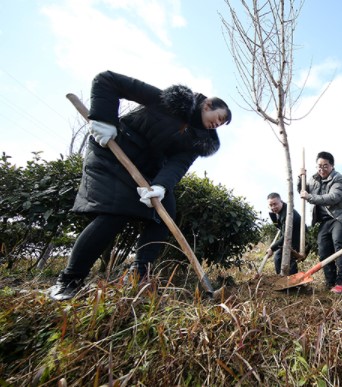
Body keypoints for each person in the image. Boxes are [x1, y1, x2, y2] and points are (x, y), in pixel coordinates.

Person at [49, 70, 232, 301]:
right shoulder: (168, 101)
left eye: (222, 124)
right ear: (207, 104)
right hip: (114, 152)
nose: (218, 124)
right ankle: (69, 280)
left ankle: (138, 275)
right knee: (114, 215)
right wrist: (104, 120)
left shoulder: (199, 140)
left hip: (148, 170)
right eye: (220, 117)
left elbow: (178, 165)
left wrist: (161, 187)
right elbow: (107, 80)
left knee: (164, 215)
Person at [299, 151, 342, 294]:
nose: (321, 169)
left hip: (340, 217)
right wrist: (301, 179)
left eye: (325, 166)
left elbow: (333, 197)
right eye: (319, 166)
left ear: (332, 166)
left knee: (339, 244)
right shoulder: (313, 179)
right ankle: (331, 283)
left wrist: (310, 197)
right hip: (325, 220)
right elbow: (303, 191)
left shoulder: (339, 178)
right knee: (323, 249)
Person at [266, 193, 304, 275]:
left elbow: (285, 237)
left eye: (275, 204)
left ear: (281, 202)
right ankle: (282, 280)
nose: (273, 207)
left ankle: (292, 283)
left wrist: (272, 248)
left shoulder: (288, 214)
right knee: (278, 256)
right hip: (289, 239)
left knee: (281, 256)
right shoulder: (279, 212)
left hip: (299, 241)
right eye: (271, 205)